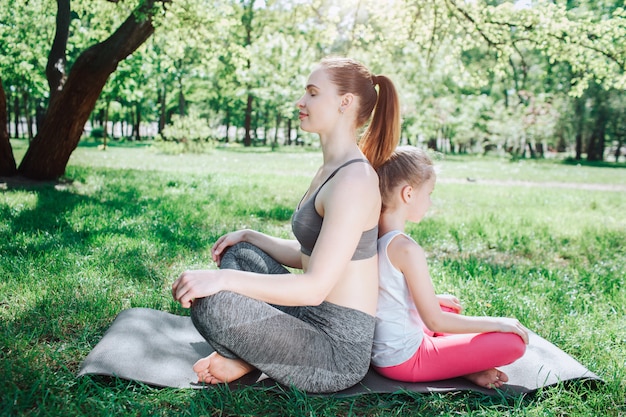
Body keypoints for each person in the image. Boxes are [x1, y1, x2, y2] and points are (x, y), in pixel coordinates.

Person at [171, 57, 401, 393]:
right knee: (243, 252)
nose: (301, 102)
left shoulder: (354, 180)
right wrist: (250, 235)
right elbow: (312, 254)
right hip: (307, 317)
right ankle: (251, 356)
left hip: (334, 352)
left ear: (344, 103)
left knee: (211, 303)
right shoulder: (333, 168)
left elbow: (314, 287)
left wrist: (221, 279)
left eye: (312, 93)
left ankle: (247, 359)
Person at [371, 146, 529, 389]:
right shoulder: (405, 249)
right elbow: (436, 323)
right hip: (405, 360)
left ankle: (466, 369)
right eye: (429, 193)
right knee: (512, 343)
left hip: (385, 352)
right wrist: (498, 322)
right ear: (409, 194)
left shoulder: (377, 238)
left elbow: (387, 293)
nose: (430, 202)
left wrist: (435, 299)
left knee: (448, 306)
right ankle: (464, 368)